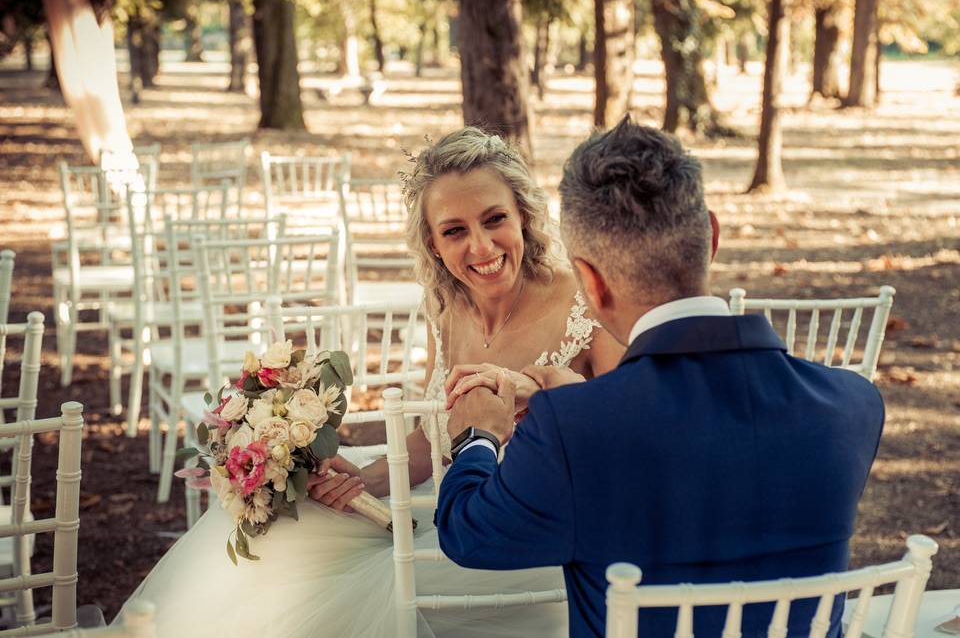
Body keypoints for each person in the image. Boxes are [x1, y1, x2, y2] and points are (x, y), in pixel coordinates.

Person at [116, 127, 622, 637]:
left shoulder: (584, 301)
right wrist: (367, 481)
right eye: (454, 231)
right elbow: (432, 436)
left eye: (495, 220)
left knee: (361, 586)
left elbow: (631, 425)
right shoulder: (446, 305)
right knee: (284, 544)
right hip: (446, 502)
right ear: (432, 242)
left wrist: (553, 396)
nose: (481, 246)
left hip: (530, 530)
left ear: (524, 216)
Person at [434, 117, 885, 638]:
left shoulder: (571, 430)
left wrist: (477, 435)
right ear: (710, 236)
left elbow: (468, 536)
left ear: (590, 282)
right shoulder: (854, 405)